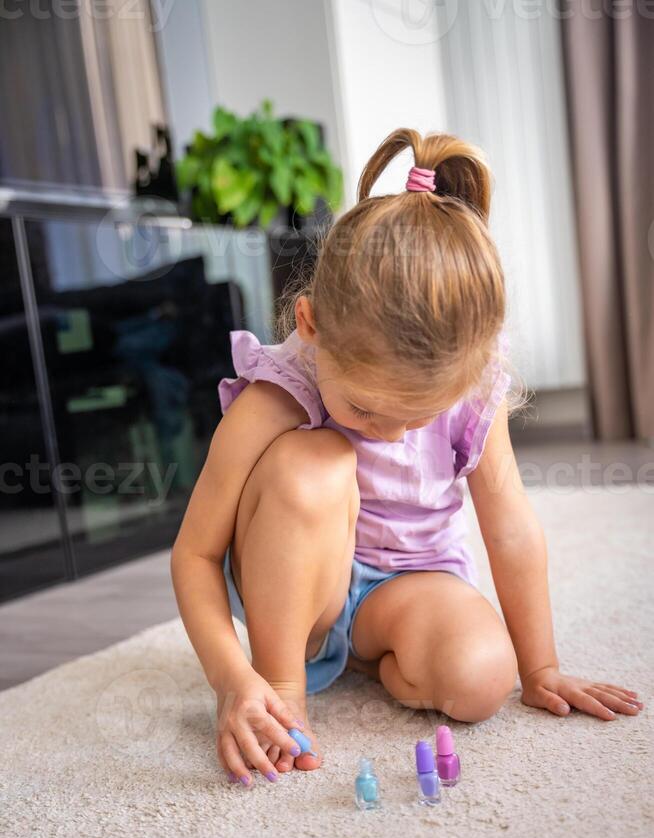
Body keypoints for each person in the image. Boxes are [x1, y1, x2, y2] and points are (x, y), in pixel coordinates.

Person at [171, 128, 643, 787]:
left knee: (483, 677)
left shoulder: (468, 387)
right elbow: (193, 553)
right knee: (320, 460)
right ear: (311, 325)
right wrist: (232, 681)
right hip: (300, 587)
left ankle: (372, 656)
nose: (390, 437)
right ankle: (283, 693)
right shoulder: (279, 386)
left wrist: (540, 670)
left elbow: (508, 524)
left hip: (406, 584)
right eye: (367, 411)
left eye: (415, 418)